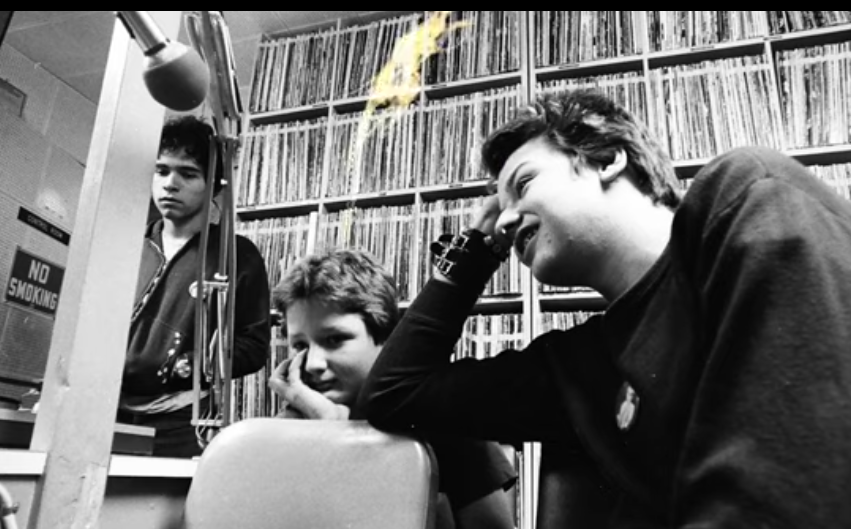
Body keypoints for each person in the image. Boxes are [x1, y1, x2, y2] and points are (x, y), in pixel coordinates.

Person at [360, 88, 851, 527]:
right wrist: (472, 254)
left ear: (607, 159)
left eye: (523, 184)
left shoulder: (742, 198)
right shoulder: (581, 366)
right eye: (499, 209)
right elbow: (394, 393)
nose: (504, 221)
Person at [269, 248, 517, 529]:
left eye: (335, 339)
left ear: (389, 338)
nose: (313, 363)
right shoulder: (283, 433)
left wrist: (338, 433)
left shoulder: (445, 417)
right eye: (300, 345)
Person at [119, 115, 271, 458]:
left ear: (213, 185)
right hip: (107, 408)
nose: (170, 184)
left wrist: (197, 363)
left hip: (181, 420)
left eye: (187, 174)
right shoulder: (126, 243)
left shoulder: (237, 255)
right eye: (161, 171)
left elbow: (253, 345)